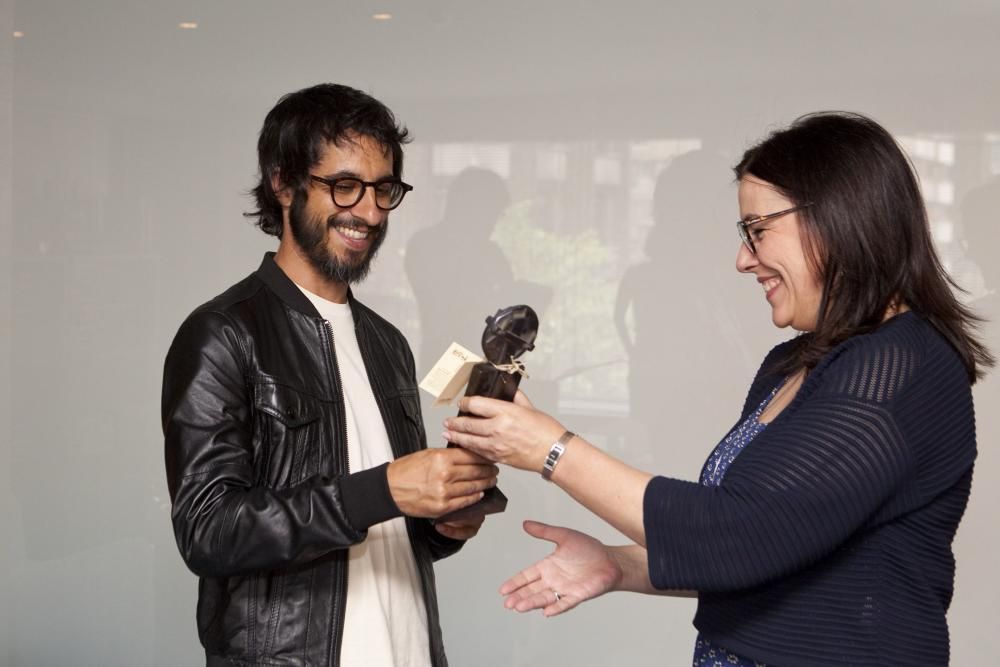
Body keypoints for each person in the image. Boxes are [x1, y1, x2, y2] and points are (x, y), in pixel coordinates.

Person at [442, 112, 993, 666]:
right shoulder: (793, 362)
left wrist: (551, 450)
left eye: (758, 230)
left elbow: (740, 533)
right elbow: (772, 549)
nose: (743, 259)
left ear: (835, 218)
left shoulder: (901, 367)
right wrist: (620, 564)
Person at [162, 83, 498, 667]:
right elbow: (209, 531)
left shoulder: (387, 343)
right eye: (344, 186)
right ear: (284, 182)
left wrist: (443, 523)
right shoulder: (222, 334)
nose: (368, 212)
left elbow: (390, 534)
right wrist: (384, 488)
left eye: (383, 189)